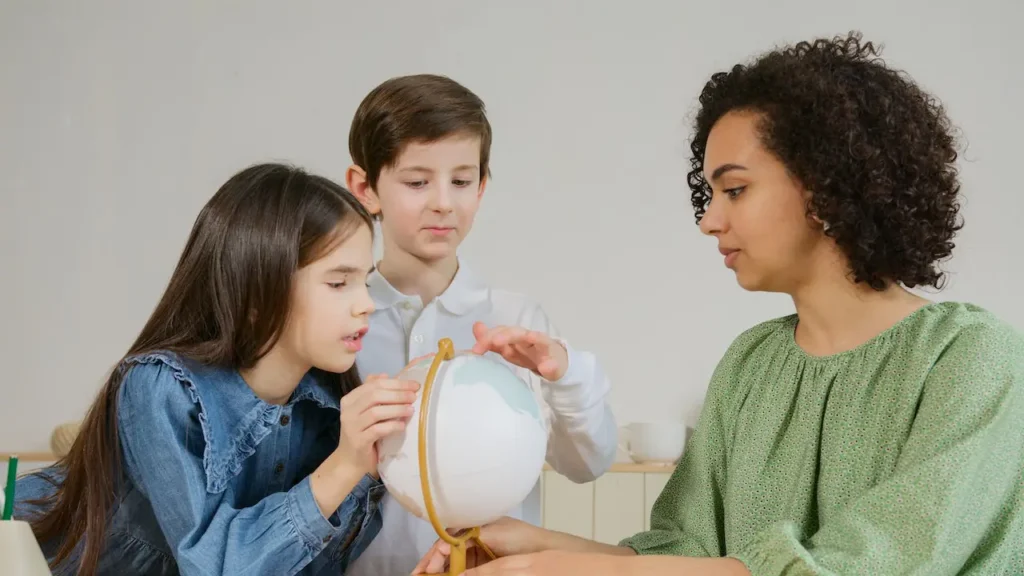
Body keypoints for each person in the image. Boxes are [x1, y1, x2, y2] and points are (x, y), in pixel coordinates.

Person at [413, 32, 1024, 576]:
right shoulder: (753, 363)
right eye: (710, 194)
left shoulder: (971, 358)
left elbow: (862, 565)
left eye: (735, 189)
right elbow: (687, 554)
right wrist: (533, 546)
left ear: (828, 186)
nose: (709, 220)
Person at [15, 163, 419, 576]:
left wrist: (367, 464)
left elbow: (313, 566)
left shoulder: (325, 407)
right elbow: (214, 567)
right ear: (257, 292)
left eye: (364, 282)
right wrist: (343, 466)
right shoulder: (160, 388)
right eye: (339, 283)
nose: (366, 303)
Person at [341, 74, 619, 575]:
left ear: (482, 186)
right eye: (417, 181)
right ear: (366, 188)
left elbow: (588, 464)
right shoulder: (341, 326)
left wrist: (567, 375)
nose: (444, 202)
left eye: (462, 181)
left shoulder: (518, 322)